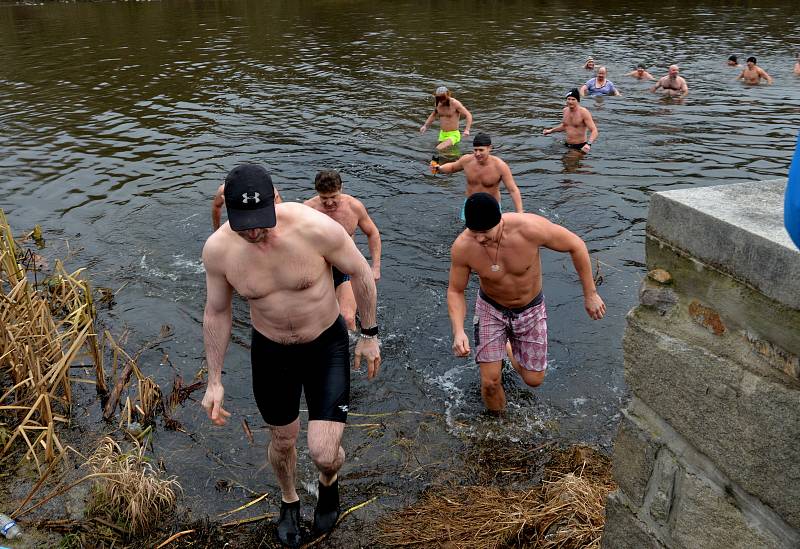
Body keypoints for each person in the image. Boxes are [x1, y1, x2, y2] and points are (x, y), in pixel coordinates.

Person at [201, 164, 381, 548]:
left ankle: (328, 481)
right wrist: (214, 380)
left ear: (275, 200)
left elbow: (361, 273)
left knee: (324, 451)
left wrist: (368, 335)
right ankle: (289, 501)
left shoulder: (315, 228)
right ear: (228, 210)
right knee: (283, 441)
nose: (253, 232)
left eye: (261, 221)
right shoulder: (219, 249)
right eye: (243, 223)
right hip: (270, 351)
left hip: (325, 345)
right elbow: (216, 311)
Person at [447, 193, 605, 413]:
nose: (480, 239)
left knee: (533, 379)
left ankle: (507, 347)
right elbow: (456, 290)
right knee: (490, 383)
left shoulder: (529, 229)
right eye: (475, 232)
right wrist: (458, 331)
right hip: (491, 310)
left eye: (485, 232)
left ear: (499, 220)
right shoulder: (463, 247)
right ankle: (499, 428)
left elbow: (576, 245)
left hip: (530, 309)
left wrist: (590, 293)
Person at [304, 170, 381, 332]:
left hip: (346, 267)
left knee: (347, 318)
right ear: (317, 193)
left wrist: (375, 267)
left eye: (334, 197)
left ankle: (355, 351)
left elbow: (372, 233)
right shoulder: (307, 210)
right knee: (318, 322)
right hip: (319, 270)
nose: (330, 203)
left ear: (342, 189)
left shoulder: (354, 207)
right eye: (324, 198)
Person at [432, 133, 523, 217]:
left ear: (489, 148)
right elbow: (452, 167)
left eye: (481, 150)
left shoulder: (500, 166)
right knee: (467, 232)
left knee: (493, 233)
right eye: (475, 150)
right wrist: (439, 168)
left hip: (491, 206)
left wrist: (520, 213)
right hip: (470, 204)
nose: (477, 154)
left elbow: (513, 190)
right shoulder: (467, 160)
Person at [542, 89, 599, 155]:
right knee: (546, 154)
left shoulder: (583, 112)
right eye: (568, 99)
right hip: (567, 144)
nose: (570, 101)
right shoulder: (565, 110)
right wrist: (550, 131)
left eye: (573, 99)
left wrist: (588, 144)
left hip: (580, 146)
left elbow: (594, 130)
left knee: (570, 163)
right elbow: (564, 126)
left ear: (578, 101)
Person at [419, 86, 473, 151]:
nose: (441, 100)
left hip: (453, 134)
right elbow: (433, 115)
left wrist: (467, 130)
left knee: (438, 148)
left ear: (447, 95)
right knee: (447, 153)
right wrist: (425, 126)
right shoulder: (438, 104)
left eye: (442, 98)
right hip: (442, 134)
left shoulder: (455, 103)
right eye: (439, 98)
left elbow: (468, 115)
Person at [212, 182, 282, 231]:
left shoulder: (269, 190)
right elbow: (216, 206)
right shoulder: (226, 189)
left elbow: (279, 217)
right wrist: (216, 230)